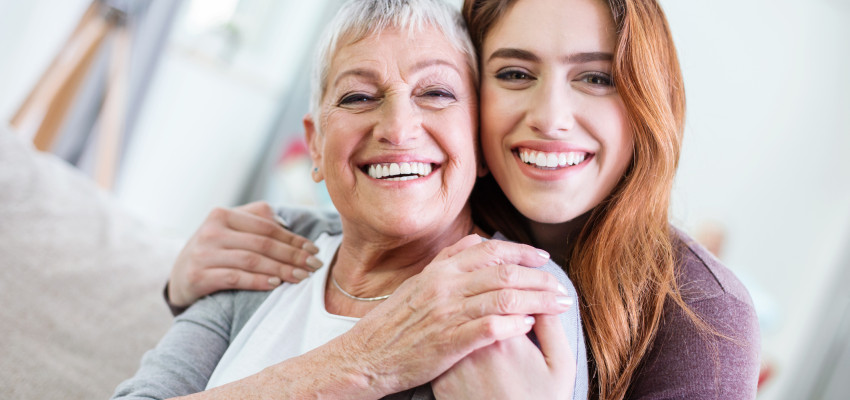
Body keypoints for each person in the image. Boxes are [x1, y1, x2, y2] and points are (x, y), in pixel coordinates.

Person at [167, 0, 762, 398]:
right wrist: (185, 284)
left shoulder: (701, 313)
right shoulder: (369, 229)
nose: (550, 118)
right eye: (514, 74)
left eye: (596, 77)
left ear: (647, 99)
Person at [113, 0, 586, 398]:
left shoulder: (512, 291)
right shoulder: (272, 244)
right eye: (358, 97)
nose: (398, 129)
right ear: (315, 144)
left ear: (480, 143)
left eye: (437, 92)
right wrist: (362, 362)